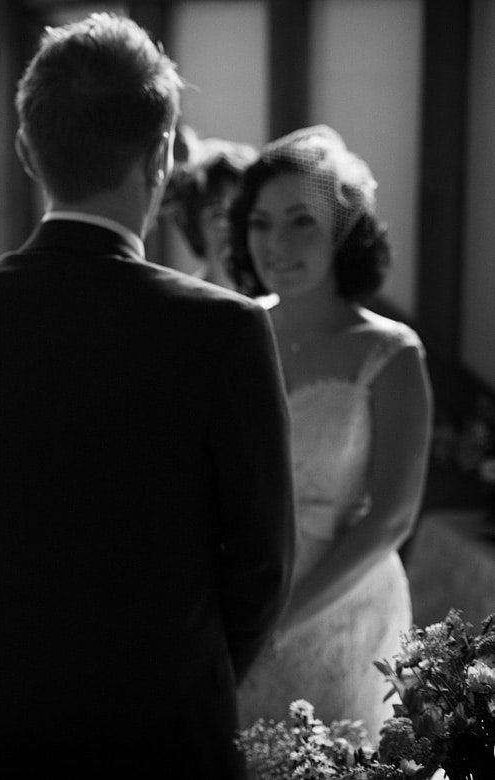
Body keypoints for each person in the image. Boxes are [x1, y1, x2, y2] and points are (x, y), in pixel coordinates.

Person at [0, 13, 295, 779]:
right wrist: (188, 669)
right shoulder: (224, 329)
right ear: (164, 155)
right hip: (163, 728)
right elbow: (262, 565)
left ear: (24, 151)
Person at [228, 125, 432, 740]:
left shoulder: (390, 354)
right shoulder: (232, 330)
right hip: (237, 592)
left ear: (343, 231)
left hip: (344, 604)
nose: (276, 243)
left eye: (300, 222)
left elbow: (393, 516)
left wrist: (284, 619)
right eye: (260, 223)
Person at [161, 130, 257, 289]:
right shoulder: (181, 303)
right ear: (195, 229)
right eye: (218, 215)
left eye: (240, 210)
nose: (231, 226)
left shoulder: (279, 304)